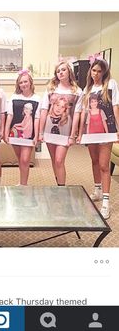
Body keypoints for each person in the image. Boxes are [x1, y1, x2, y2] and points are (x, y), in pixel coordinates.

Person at [77, 57, 119, 219]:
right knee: (94, 161)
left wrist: (118, 128)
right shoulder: (86, 90)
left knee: (104, 165)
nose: (96, 74)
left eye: (99, 71)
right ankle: (97, 189)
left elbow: (115, 106)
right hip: (90, 132)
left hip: (106, 131)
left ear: (104, 72)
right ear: (90, 71)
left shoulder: (111, 85)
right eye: (94, 70)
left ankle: (106, 202)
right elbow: (83, 114)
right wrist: (80, 133)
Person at [39, 61, 82, 186]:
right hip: (48, 129)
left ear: (69, 71)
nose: (60, 73)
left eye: (63, 70)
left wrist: (72, 135)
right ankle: (59, 184)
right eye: (58, 71)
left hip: (65, 132)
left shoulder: (77, 91)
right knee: (54, 160)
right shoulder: (51, 89)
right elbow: (44, 110)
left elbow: (76, 114)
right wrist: (40, 132)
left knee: (59, 160)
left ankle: (62, 189)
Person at [4, 69, 40, 185]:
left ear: (30, 82)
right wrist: (6, 133)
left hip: (29, 135)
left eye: (25, 81)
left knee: (25, 159)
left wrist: (37, 135)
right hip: (14, 134)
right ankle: (22, 182)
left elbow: (37, 118)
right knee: (20, 159)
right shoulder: (14, 97)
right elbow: (10, 115)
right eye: (21, 82)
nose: (23, 84)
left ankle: (24, 185)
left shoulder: (37, 98)